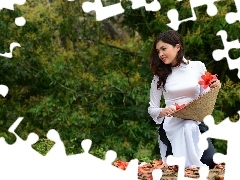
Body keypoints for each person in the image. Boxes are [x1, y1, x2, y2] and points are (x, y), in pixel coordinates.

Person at [148, 30, 221, 169]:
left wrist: (213, 86)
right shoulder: (159, 76)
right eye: (158, 51)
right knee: (178, 166)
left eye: (164, 49)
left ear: (177, 47)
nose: (160, 54)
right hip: (172, 124)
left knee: (210, 162)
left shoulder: (197, 66)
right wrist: (163, 110)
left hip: (195, 123)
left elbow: (204, 97)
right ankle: (173, 150)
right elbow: (152, 109)